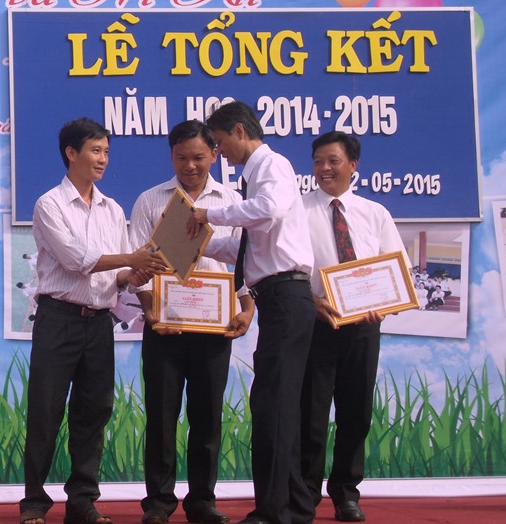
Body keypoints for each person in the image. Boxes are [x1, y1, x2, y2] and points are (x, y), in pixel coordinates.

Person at [20, 117, 167, 524]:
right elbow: (76, 260)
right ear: (71, 153)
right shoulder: (50, 204)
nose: (103, 159)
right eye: (95, 150)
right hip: (58, 319)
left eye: (106, 151)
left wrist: (137, 273)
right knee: (46, 411)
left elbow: (116, 274)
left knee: (93, 413)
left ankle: (82, 501)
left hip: (99, 323)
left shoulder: (113, 209)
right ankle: (34, 502)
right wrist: (131, 259)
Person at [188, 101, 315, 524]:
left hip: (286, 296)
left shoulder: (271, 165)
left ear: (240, 131)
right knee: (278, 404)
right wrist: (190, 243)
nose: (219, 152)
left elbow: (268, 210)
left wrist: (209, 213)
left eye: (220, 142)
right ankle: (294, 507)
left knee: (274, 405)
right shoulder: (255, 178)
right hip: (278, 299)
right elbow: (245, 248)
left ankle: (274, 512)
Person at [131, 121, 255, 524]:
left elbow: (244, 262)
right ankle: (158, 503)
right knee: (161, 416)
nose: (190, 165)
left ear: (214, 155)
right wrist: (150, 309)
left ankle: (202, 501)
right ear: (171, 156)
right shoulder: (150, 200)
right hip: (163, 326)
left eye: (199, 157)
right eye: (181, 157)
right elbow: (139, 265)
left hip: (214, 328)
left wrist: (247, 307)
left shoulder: (233, 202)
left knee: (207, 417)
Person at [299, 132, 408, 523]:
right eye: (318, 162)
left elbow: (396, 267)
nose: (324, 169)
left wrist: (384, 304)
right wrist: (310, 302)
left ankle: (346, 492)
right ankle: (305, 494)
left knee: (356, 411)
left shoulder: (374, 213)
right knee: (310, 413)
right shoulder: (297, 211)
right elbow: (286, 267)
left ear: (353, 165)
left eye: (333, 161)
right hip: (316, 324)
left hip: (362, 326)